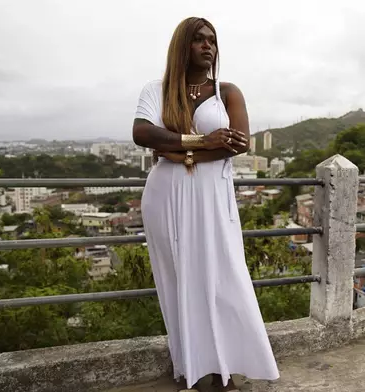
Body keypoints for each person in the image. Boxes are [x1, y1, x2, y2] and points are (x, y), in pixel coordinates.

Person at [132, 17, 279, 392]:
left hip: (212, 196)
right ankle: (195, 369)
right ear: (183, 45)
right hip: (165, 197)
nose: (207, 46)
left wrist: (175, 150)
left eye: (211, 40)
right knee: (180, 279)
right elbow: (142, 133)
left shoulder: (226, 92)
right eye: (198, 39)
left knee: (222, 277)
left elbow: (238, 144)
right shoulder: (157, 89)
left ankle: (224, 369)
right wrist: (200, 142)